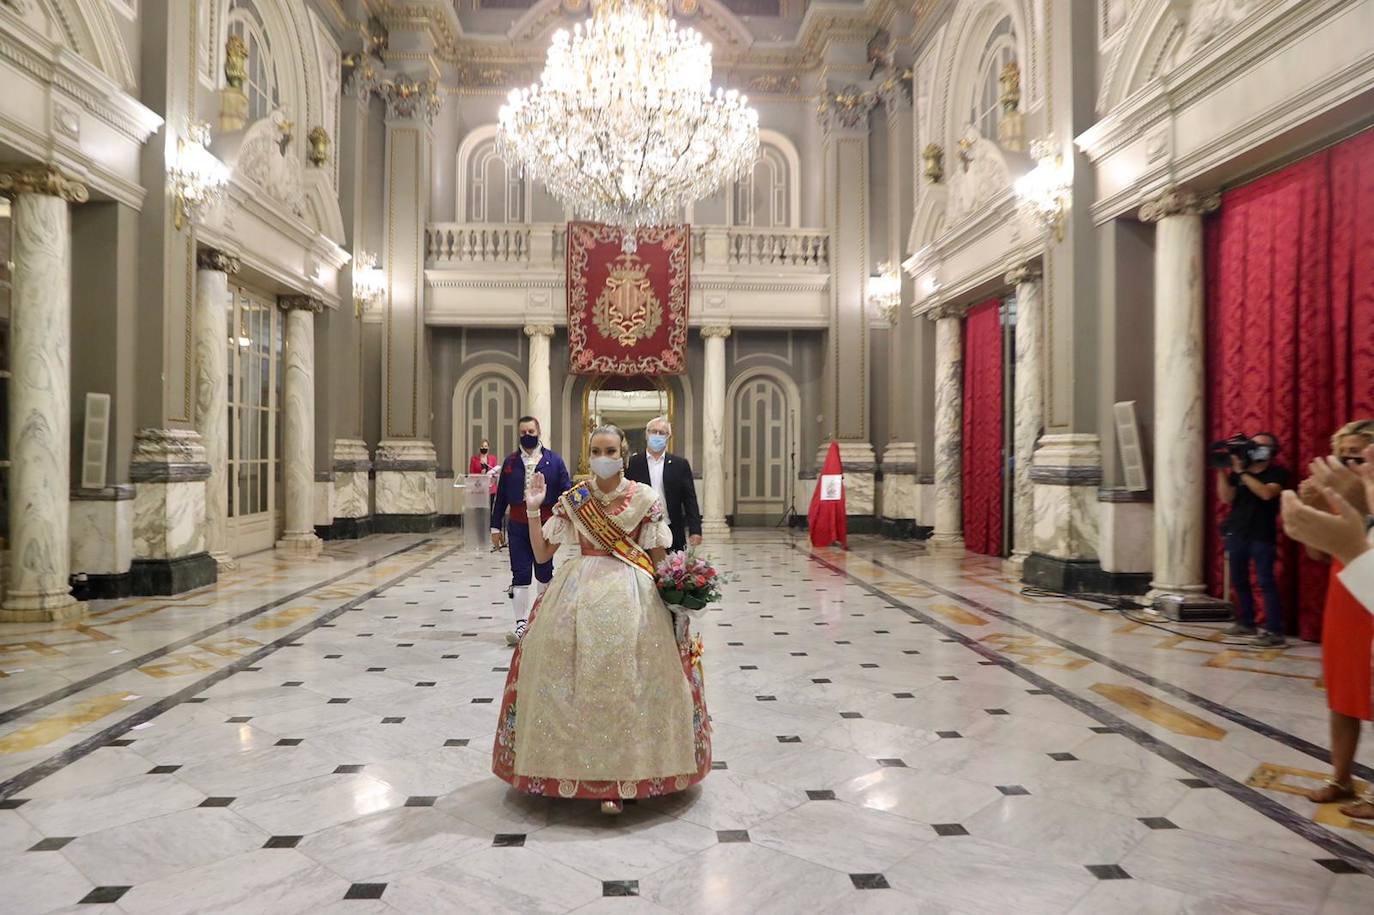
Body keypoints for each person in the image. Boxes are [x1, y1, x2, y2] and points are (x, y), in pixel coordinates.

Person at [491, 424, 711, 815]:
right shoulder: (574, 499)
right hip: (577, 591)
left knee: (630, 684)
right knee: (570, 680)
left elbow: (659, 562)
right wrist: (532, 506)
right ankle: (569, 770)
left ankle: (628, 775)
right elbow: (543, 556)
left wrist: (677, 599)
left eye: (610, 450)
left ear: (623, 454)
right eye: (596, 450)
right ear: (587, 454)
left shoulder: (644, 498)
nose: (603, 457)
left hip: (635, 595)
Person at [1291, 422, 1374, 818]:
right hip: (1344, 598)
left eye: (1357, 454)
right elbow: (1317, 555)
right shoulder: (1341, 497)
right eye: (1343, 456)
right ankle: (1341, 777)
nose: (1349, 464)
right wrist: (1317, 513)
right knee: (1342, 693)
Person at [490, 417, 572, 646]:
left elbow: (567, 490)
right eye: (523, 431)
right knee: (520, 573)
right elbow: (501, 498)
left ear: (539, 431)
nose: (527, 434)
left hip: (545, 525)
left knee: (544, 571)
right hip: (517, 525)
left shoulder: (554, 460)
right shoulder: (510, 462)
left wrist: (563, 519)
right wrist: (495, 526)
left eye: (531, 430)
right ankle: (520, 625)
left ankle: (542, 621)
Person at [1217, 432, 1289, 646]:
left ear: (1272, 451)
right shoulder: (1239, 473)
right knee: (1239, 580)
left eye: (1260, 445)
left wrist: (1242, 473)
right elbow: (1226, 497)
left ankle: (1274, 631)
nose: (1255, 448)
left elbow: (1266, 493)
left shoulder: (1278, 473)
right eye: (1253, 445)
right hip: (1237, 531)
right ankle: (1246, 622)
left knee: (1265, 582)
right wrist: (1222, 470)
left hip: (1262, 534)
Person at [626, 415, 702, 553]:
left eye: (662, 433)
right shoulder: (633, 463)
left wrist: (695, 530)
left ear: (669, 437)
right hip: (641, 529)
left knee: (672, 572)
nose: (657, 435)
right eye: (653, 431)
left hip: (672, 528)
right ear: (646, 434)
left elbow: (690, 499)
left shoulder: (680, 464)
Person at [469, 438, 498, 511]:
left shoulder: (493, 458)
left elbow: (495, 472)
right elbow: (471, 473)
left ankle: (490, 522)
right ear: (479, 448)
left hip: (490, 488)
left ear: (488, 448)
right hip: (479, 488)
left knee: (490, 509)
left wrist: (492, 477)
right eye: (482, 446)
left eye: (485, 446)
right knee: (479, 510)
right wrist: (480, 474)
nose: (484, 448)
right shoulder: (474, 459)